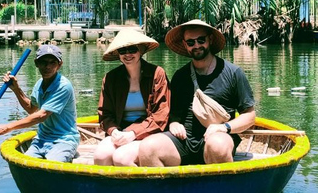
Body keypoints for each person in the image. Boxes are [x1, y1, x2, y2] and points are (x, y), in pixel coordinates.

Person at [139, 19, 256, 167]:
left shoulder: (233, 73)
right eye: (190, 42)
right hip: (184, 141)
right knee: (147, 148)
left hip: (217, 138)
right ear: (184, 44)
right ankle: (167, 190)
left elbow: (250, 116)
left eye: (201, 40)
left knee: (217, 145)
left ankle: (220, 189)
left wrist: (223, 127)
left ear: (210, 39)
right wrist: (174, 123)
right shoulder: (180, 76)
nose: (196, 45)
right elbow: (174, 114)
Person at [0, 44, 79, 162]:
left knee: (52, 167)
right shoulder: (39, 84)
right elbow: (31, 109)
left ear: (59, 65)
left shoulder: (63, 86)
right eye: (43, 62)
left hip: (64, 140)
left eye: (52, 62)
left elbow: (41, 115)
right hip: (42, 139)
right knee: (25, 164)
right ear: (36, 63)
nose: (47, 66)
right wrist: (16, 89)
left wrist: (7, 127)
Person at [93, 28, 170, 166]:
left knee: (122, 158)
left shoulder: (157, 74)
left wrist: (133, 133)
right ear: (118, 54)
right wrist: (114, 131)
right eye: (123, 51)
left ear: (140, 50)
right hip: (120, 131)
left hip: (149, 132)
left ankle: (140, 187)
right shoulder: (111, 78)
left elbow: (161, 115)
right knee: (100, 156)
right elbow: (105, 114)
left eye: (132, 49)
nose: (127, 54)